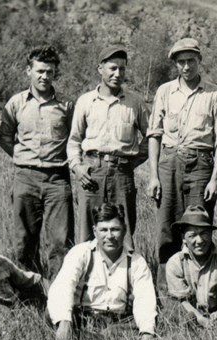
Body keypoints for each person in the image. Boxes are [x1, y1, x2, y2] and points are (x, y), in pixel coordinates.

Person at [146, 38, 217, 268]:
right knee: (167, 226)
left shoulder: (215, 93)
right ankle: (168, 293)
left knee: (198, 227)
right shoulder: (165, 92)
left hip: (201, 166)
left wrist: (214, 179)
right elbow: (154, 134)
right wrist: (153, 176)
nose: (186, 66)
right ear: (175, 64)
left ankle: (201, 289)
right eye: (181, 62)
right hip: (169, 163)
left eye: (191, 60)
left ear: (199, 60)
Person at [0, 46, 73, 278]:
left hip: (57, 180)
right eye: (40, 71)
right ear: (28, 71)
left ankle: (57, 291)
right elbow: (5, 138)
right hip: (25, 178)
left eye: (50, 72)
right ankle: (27, 290)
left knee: (60, 241)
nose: (45, 76)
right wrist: (24, 159)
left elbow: (75, 140)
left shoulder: (66, 106)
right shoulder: (16, 103)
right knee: (24, 240)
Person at [68, 45, 149, 248]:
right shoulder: (86, 101)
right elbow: (74, 140)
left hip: (122, 174)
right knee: (87, 235)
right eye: (112, 68)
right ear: (100, 69)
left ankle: (125, 278)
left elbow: (152, 137)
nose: (117, 74)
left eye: (122, 69)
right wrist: (78, 167)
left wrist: (131, 163)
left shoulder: (135, 102)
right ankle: (87, 278)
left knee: (125, 231)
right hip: (91, 174)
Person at [48, 203, 156, 340]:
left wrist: (147, 333)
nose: (109, 236)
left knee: (128, 331)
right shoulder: (81, 253)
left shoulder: (136, 262)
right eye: (104, 230)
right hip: (82, 318)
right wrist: (64, 322)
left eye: (115, 229)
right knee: (53, 313)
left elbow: (145, 300)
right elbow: (63, 287)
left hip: (118, 322)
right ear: (94, 231)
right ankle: (84, 337)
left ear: (124, 230)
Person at [165, 205, 217, 328]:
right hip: (188, 317)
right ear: (183, 238)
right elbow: (182, 301)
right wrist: (201, 319)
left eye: (204, 233)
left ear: (211, 234)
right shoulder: (175, 263)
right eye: (192, 236)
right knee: (172, 315)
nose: (199, 241)